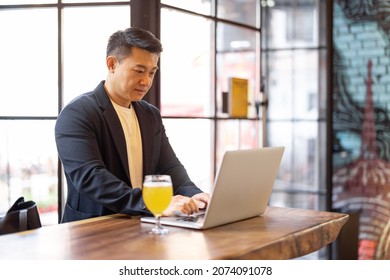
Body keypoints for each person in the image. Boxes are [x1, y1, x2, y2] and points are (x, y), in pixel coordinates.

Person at [55, 27, 209, 223]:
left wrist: (194, 195)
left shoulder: (150, 115)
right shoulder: (77, 113)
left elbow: (169, 167)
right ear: (112, 64)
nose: (146, 81)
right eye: (139, 71)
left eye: (152, 73)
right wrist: (153, 204)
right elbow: (91, 178)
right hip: (93, 229)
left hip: (143, 224)